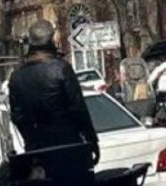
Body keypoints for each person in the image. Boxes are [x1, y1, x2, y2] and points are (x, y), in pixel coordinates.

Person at [8, 20, 99, 184]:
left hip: (37, 154)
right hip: (69, 149)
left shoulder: (16, 77)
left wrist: (31, 139)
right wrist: (92, 140)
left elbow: (17, 117)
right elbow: (78, 109)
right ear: (51, 41)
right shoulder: (61, 69)